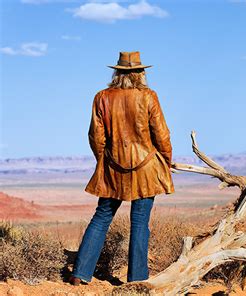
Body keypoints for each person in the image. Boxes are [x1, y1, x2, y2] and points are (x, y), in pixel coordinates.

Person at [69, 51, 174, 285]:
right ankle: (137, 281)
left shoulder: (102, 97)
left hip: (112, 167)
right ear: (140, 73)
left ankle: (79, 274)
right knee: (139, 223)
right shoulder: (149, 96)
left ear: (117, 72)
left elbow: (95, 137)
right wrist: (165, 161)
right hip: (146, 168)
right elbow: (162, 134)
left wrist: (104, 161)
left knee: (101, 217)